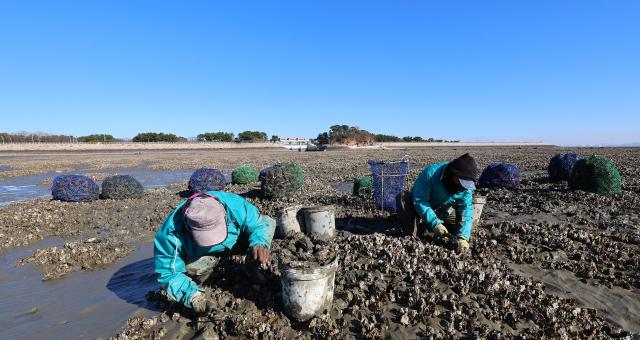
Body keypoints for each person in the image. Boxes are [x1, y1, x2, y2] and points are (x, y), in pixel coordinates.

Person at [154, 191, 275, 313]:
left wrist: (259, 243)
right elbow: (169, 273)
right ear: (187, 226)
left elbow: (259, 224)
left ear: (224, 215)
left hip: (236, 242)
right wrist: (195, 298)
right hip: (202, 255)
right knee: (193, 269)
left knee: (268, 223)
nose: (214, 242)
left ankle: (251, 265)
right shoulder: (169, 234)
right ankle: (204, 282)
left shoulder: (234, 204)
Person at [396, 153, 478, 252]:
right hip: (418, 208)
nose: (464, 186)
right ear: (454, 174)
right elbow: (420, 199)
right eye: (461, 181)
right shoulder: (431, 173)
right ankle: (411, 235)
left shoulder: (465, 188)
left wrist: (463, 237)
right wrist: (435, 223)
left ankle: (429, 227)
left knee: (459, 230)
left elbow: (466, 208)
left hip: (443, 210)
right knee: (403, 197)